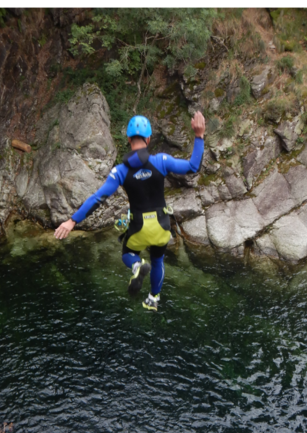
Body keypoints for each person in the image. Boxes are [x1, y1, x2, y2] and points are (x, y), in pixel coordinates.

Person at [54, 110, 206, 312]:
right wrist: (199, 136)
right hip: (162, 226)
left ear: (128, 139)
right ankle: (153, 299)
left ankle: (136, 266)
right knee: (158, 259)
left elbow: (97, 198)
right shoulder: (161, 161)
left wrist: (72, 221)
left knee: (127, 253)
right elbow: (193, 166)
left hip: (139, 228)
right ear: (149, 139)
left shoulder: (120, 171)